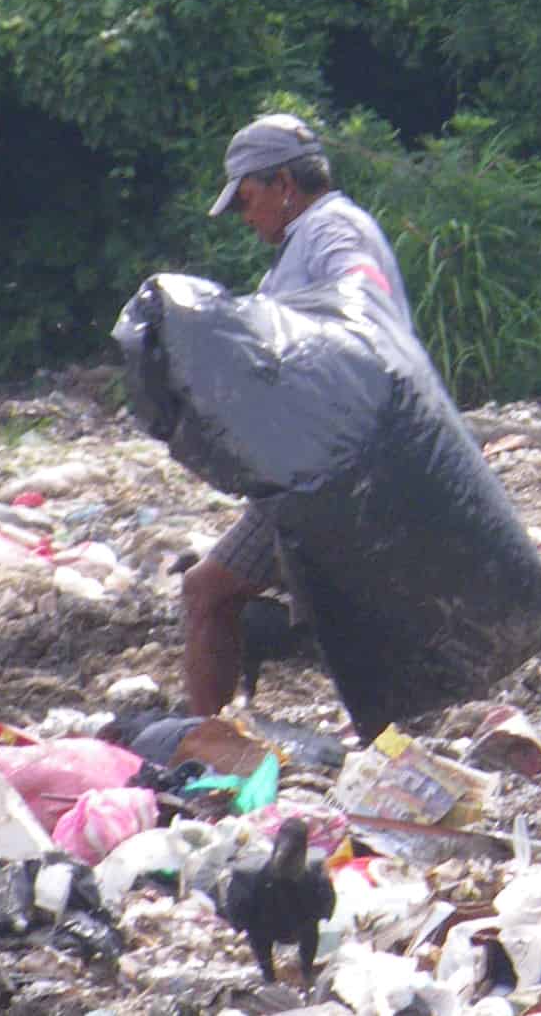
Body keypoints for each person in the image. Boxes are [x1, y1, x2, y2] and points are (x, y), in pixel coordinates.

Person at [182, 111, 413, 715]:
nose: (245, 216)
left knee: (207, 591)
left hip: (335, 466)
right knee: (321, 608)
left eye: (246, 199)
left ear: (284, 184)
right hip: (322, 461)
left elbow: (359, 287)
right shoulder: (302, 243)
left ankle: (205, 740)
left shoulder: (333, 229)